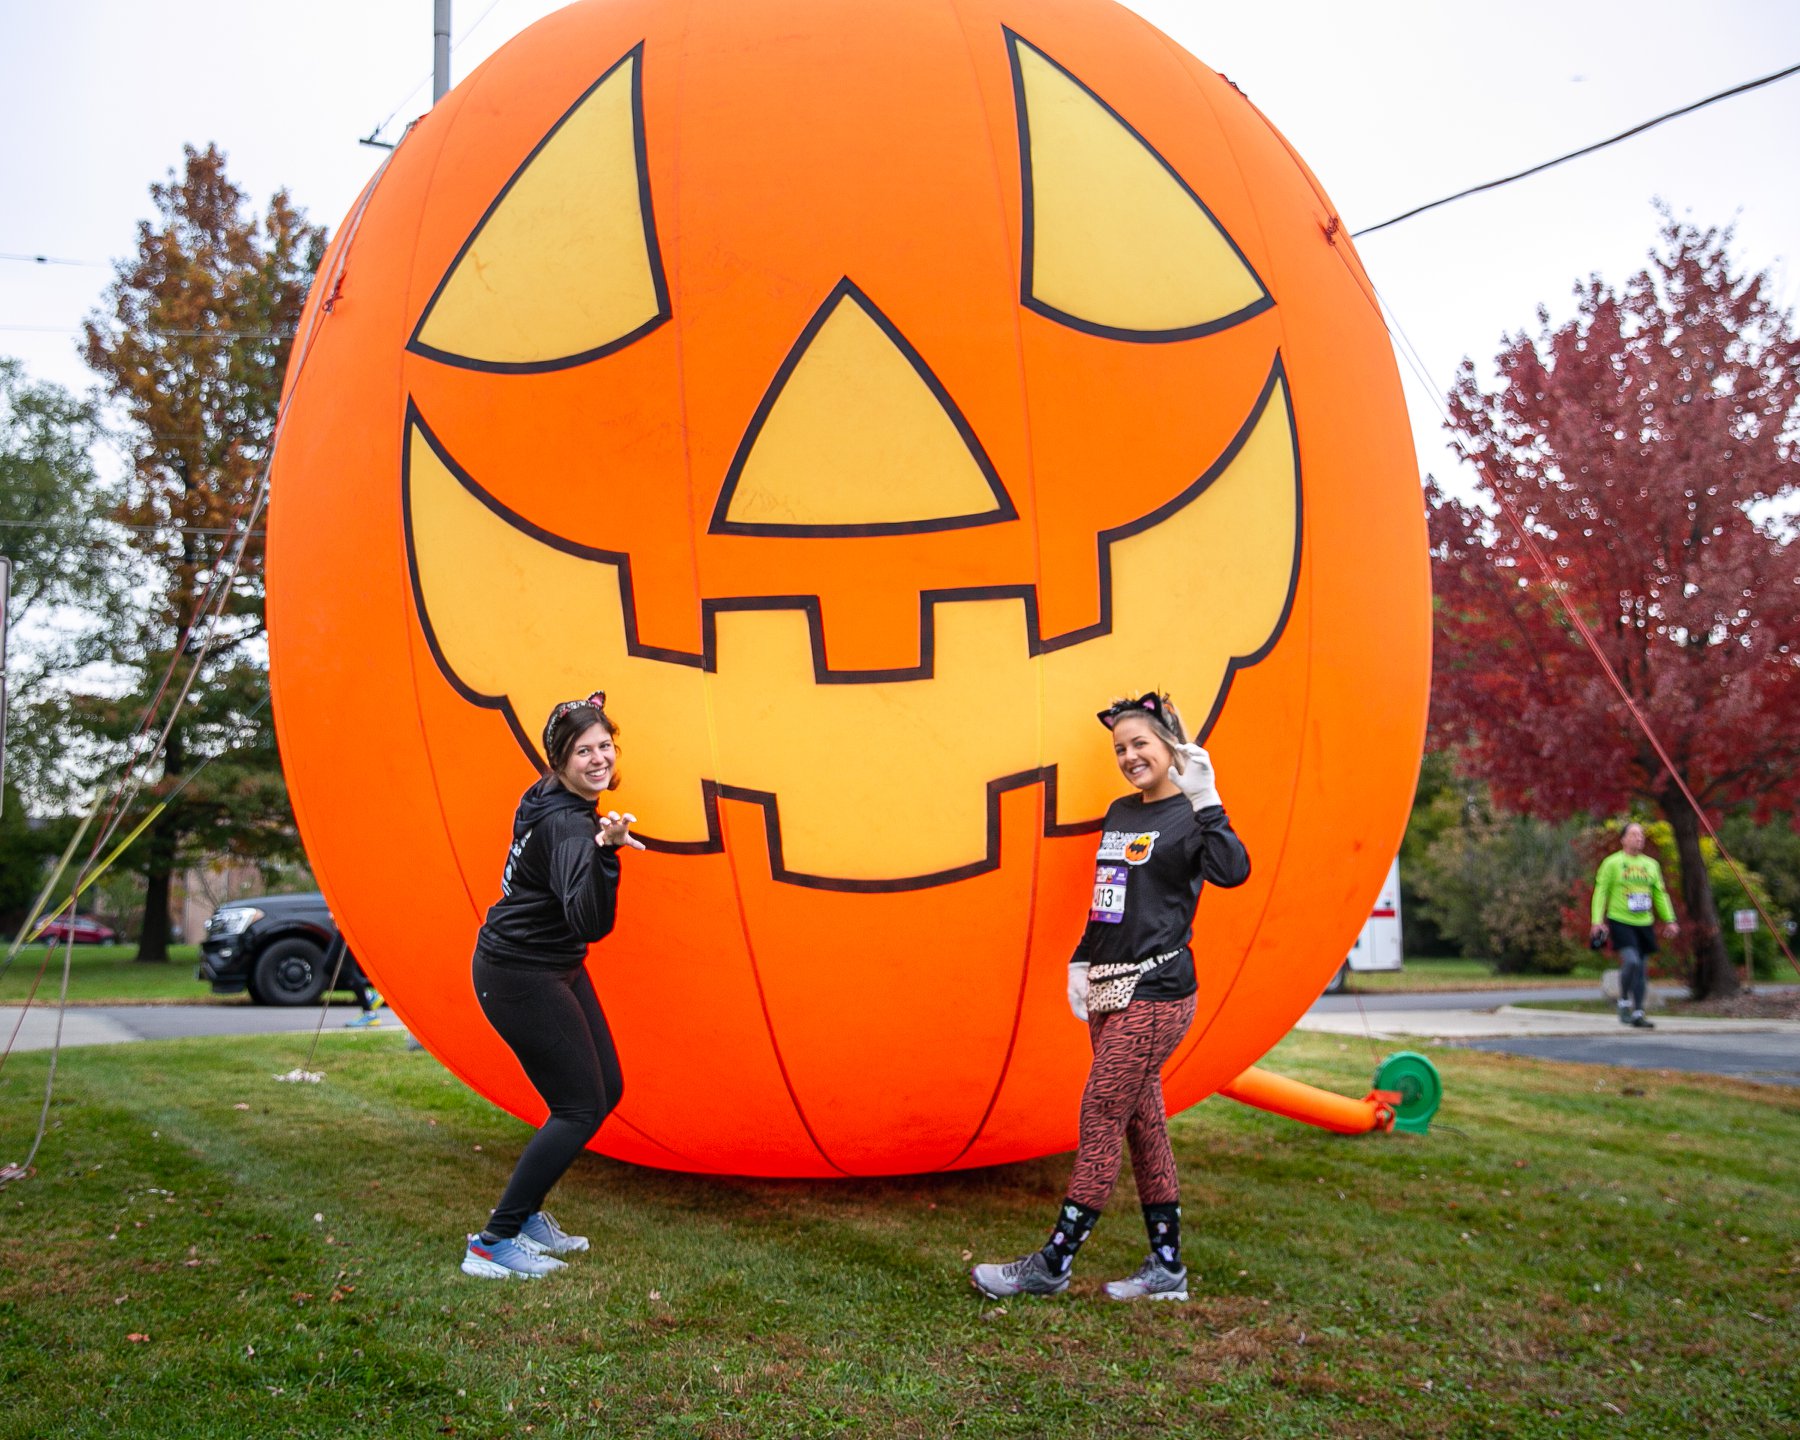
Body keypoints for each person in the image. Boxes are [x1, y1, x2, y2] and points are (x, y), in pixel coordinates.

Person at [971, 691, 1250, 1303]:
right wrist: (1080, 956)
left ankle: (1053, 1261)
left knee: (1101, 1109)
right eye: (1120, 748)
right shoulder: (1122, 812)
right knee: (1144, 1123)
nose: (1128, 756)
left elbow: (1233, 871)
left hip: (1157, 990)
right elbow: (1110, 897)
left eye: (1140, 744)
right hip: (1107, 985)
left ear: (1171, 746)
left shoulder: (1192, 813)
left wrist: (1207, 798)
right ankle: (1167, 1269)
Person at [460, 691, 645, 1280]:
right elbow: (591, 922)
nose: (598, 759)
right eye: (582, 750)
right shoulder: (569, 825)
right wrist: (608, 856)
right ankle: (494, 1240)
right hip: (519, 973)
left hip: (546, 963)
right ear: (559, 760)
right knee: (579, 1106)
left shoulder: (546, 797)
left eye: (605, 746)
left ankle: (529, 1215)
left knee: (603, 1090)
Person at [1590, 822, 1678, 1030]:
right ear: (1623, 839)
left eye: (1641, 835)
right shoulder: (1612, 863)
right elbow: (1601, 891)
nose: (1639, 838)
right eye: (1634, 834)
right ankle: (1623, 1002)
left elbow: (1659, 893)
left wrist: (1670, 919)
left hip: (1644, 922)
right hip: (1620, 920)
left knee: (1642, 968)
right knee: (1631, 961)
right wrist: (1597, 921)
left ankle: (1638, 1012)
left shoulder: (1651, 865)